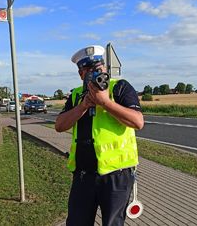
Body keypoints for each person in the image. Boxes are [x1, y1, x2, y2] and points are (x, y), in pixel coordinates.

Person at [55, 45, 144, 226]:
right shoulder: (76, 95)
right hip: (83, 175)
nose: (97, 74)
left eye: (99, 69)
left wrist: (105, 102)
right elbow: (59, 125)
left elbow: (138, 122)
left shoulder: (119, 88)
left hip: (116, 176)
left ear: (105, 68)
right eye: (90, 71)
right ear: (81, 74)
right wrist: (83, 106)